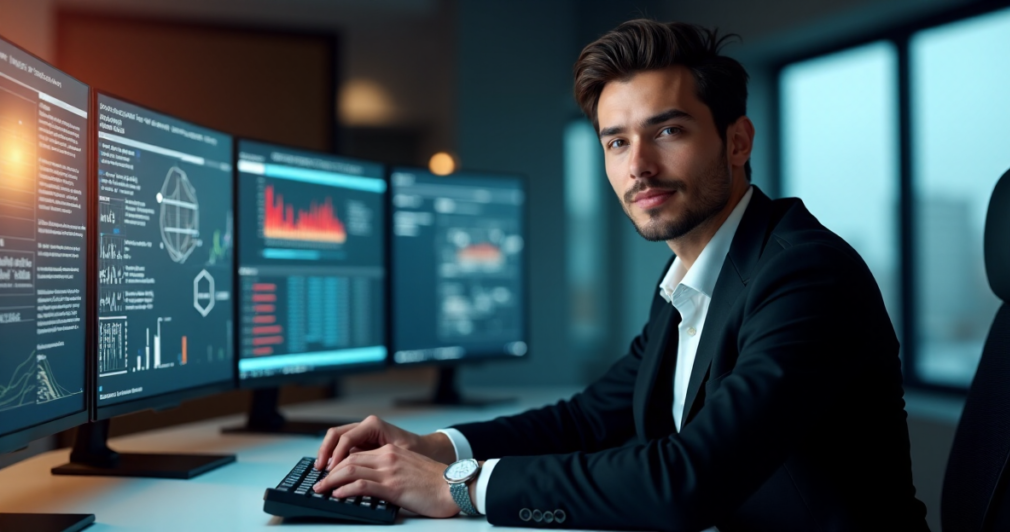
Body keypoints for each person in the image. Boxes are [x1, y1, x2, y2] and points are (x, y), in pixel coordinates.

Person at [310, 19, 930, 531]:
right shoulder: (690, 276)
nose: (640, 167)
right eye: (616, 142)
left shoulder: (804, 274)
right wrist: (434, 448)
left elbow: (688, 481)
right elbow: (587, 419)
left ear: (737, 141)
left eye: (668, 130)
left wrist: (460, 487)